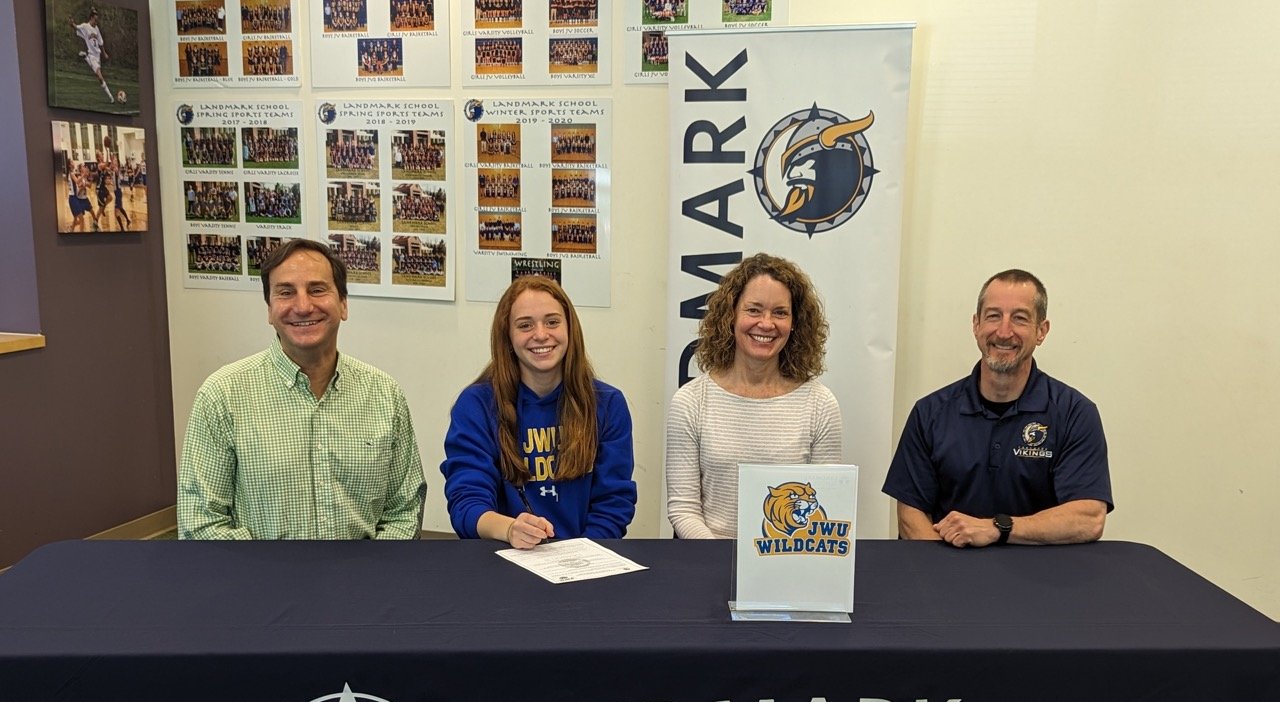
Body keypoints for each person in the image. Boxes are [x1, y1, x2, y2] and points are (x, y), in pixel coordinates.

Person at [178, 238, 426, 539]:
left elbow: (404, 511)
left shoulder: (384, 395)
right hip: (262, 580)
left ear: (344, 304)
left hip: (363, 581)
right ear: (269, 310)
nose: (303, 306)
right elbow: (202, 523)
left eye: (317, 290)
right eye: (285, 293)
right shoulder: (222, 396)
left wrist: (370, 578)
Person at [882, 268, 1112, 547]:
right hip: (949, 578)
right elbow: (910, 515)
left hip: (1042, 582)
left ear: (1041, 331)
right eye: (993, 316)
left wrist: (998, 528)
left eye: (1019, 318)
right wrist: (946, 575)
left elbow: (1088, 519)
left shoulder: (1075, 413)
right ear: (976, 325)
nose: (1004, 332)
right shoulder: (930, 413)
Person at [442, 275, 636, 548]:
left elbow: (613, 504)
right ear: (507, 337)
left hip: (586, 558)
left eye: (552, 321)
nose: (541, 334)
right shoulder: (477, 405)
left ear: (571, 329)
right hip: (504, 556)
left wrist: (579, 559)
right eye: (525, 325)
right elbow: (466, 502)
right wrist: (510, 529)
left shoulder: (608, 403)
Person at [665, 253, 843, 538]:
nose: (766, 323)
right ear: (731, 315)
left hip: (788, 560)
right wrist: (725, 561)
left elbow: (823, 505)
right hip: (709, 559)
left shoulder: (820, 405)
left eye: (780, 312)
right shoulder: (690, 402)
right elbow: (683, 509)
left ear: (795, 323)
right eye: (754, 310)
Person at [69, 9, 114, 103]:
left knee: (99, 78)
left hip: (97, 55)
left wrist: (104, 53)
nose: (96, 22)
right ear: (91, 18)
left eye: (97, 20)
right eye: (95, 19)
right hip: (92, 55)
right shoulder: (85, 26)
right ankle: (111, 98)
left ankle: (86, 57)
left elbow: (101, 43)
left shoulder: (96, 29)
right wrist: (72, 23)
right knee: (100, 75)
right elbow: (76, 27)